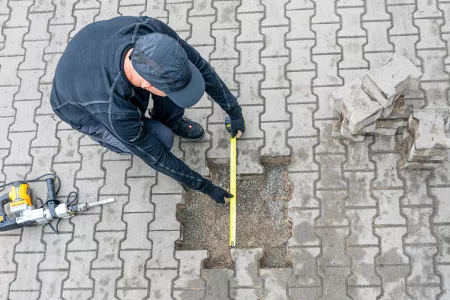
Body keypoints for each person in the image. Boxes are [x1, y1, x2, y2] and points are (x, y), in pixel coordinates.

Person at [50, 16, 245, 204]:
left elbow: (200, 67)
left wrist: (234, 112)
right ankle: (115, 140)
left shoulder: (152, 33)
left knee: (173, 91)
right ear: (145, 83)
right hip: (82, 111)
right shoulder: (113, 109)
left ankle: (171, 120)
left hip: (94, 48)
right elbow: (155, 156)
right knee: (161, 139)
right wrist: (205, 187)